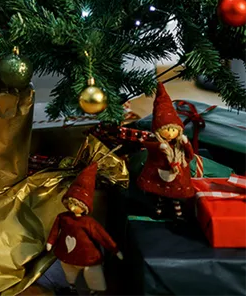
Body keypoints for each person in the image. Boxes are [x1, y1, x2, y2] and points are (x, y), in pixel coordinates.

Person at [46, 163, 122, 295]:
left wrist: (114, 249)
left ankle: (95, 291)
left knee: (92, 273)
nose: (72, 207)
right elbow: (54, 230)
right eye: (70, 202)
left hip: (87, 256)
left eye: (76, 204)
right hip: (66, 252)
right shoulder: (63, 217)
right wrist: (50, 242)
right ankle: (72, 288)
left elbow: (102, 236)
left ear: (85, 206)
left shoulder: (88, 222)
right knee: (69, 271)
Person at [137, 82, 195, 219]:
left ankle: (178, 215)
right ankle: (158, 212)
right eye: (166, 130)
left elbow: (189, 156)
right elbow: (150, 148)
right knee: (160, 196)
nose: (170, 134)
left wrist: (187, 144)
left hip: (177, 174)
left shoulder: (179, 145)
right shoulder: (155, 142)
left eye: (173, 129)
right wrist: (159, 148)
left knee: (175, 196)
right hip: (160, 174)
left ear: (179, 130)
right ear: (158, 131)